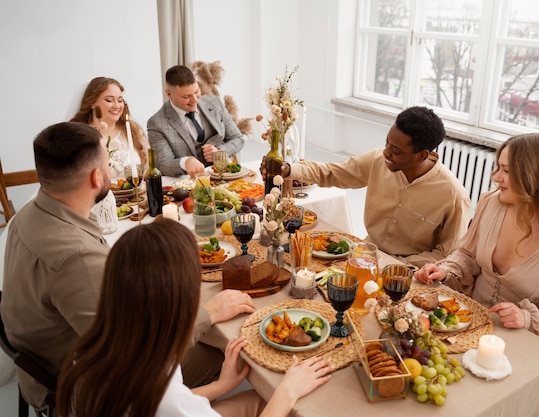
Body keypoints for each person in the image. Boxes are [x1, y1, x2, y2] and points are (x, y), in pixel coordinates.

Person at [0, 122, 254, 409]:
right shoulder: (77, 258)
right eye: (108, 165)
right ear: (98, 177)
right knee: (224, 348)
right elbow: (136, 353)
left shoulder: (27, 214)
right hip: (83, 388)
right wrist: (208, 313)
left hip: (50, 358)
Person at [56, 218, 334, 417]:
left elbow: (166, 401)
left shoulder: (97, 348)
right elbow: (167, 402)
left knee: (261, 398)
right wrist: (288, 389)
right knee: (283, 402)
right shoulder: (164, 396)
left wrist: (219, 387)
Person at [416, 133, 539, 354]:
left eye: (507, 171)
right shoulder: (491, 203)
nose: (496, 177)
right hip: (465, 320)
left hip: (521, 341)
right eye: (498, 167)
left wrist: (526, 318)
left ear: (537, 177)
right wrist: (446, 270)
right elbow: (469, 255)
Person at [263, 106, 470, 267]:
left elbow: (447, 254)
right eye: (387, 143)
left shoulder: (453, 195)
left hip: (408, 270)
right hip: (363, 253)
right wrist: (288, 170)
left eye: (396, 150)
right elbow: (333, 172)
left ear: (422, 155)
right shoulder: (378, 160)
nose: (386, 152)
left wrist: (396, 265)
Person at [148, 65, 245, 177]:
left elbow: (238, 138)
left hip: (222, 177)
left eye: (196, 91)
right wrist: (185, 162)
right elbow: (162, 163)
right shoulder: (157, 123)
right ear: (169, 94)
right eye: (186, 96)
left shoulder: (215, 103)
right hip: (187, 184)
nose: (194, 100)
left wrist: (220, 151)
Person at [70, 76, 149, 180]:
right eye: (109, 100)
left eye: (120, 100)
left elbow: (148, 167)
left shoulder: (133, 129)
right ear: (92, 103)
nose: (116, 106)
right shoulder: (79, 136)